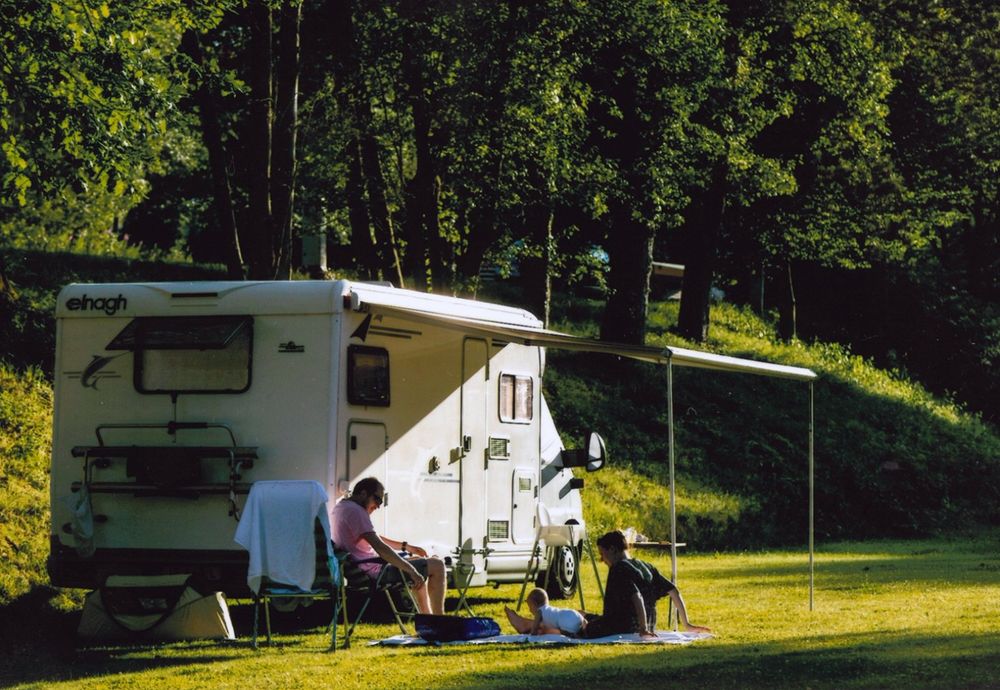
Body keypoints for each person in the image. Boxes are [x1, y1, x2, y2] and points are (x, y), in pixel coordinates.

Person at [331, 476, 447, 615]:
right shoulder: (356, 512)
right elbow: (380, 547)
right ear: (363, 493)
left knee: (422, 567)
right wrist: (411, 570)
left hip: (364, 568)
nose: (378, 505)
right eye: (377, 499)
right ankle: (439, 619)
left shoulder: (341, 507)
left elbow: (375, 538)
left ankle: (428, 619)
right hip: (375, 572)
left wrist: (407, 547)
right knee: (437, 565)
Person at [584, 530, 710, 638]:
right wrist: (686, 624)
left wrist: (643, 629)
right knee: (584, 614)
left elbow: (636, 596)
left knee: (585, 626)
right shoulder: (646, 566)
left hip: (624, 627)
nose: (602, 559)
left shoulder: (618, 568)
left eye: (602, 554)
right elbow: (673, 590)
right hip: (650, 624)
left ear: (612, 549)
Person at [504, 587, 587, 636]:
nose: (530, 610)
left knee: (562, 632)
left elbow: (535, 627)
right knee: (577, 624)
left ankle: (574, 634)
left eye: (530, 607)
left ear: (534, 605)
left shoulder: (539, 612)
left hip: (566, 621)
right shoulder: (548, 609)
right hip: (574, 614)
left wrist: (532, 634)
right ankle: (584, 628)